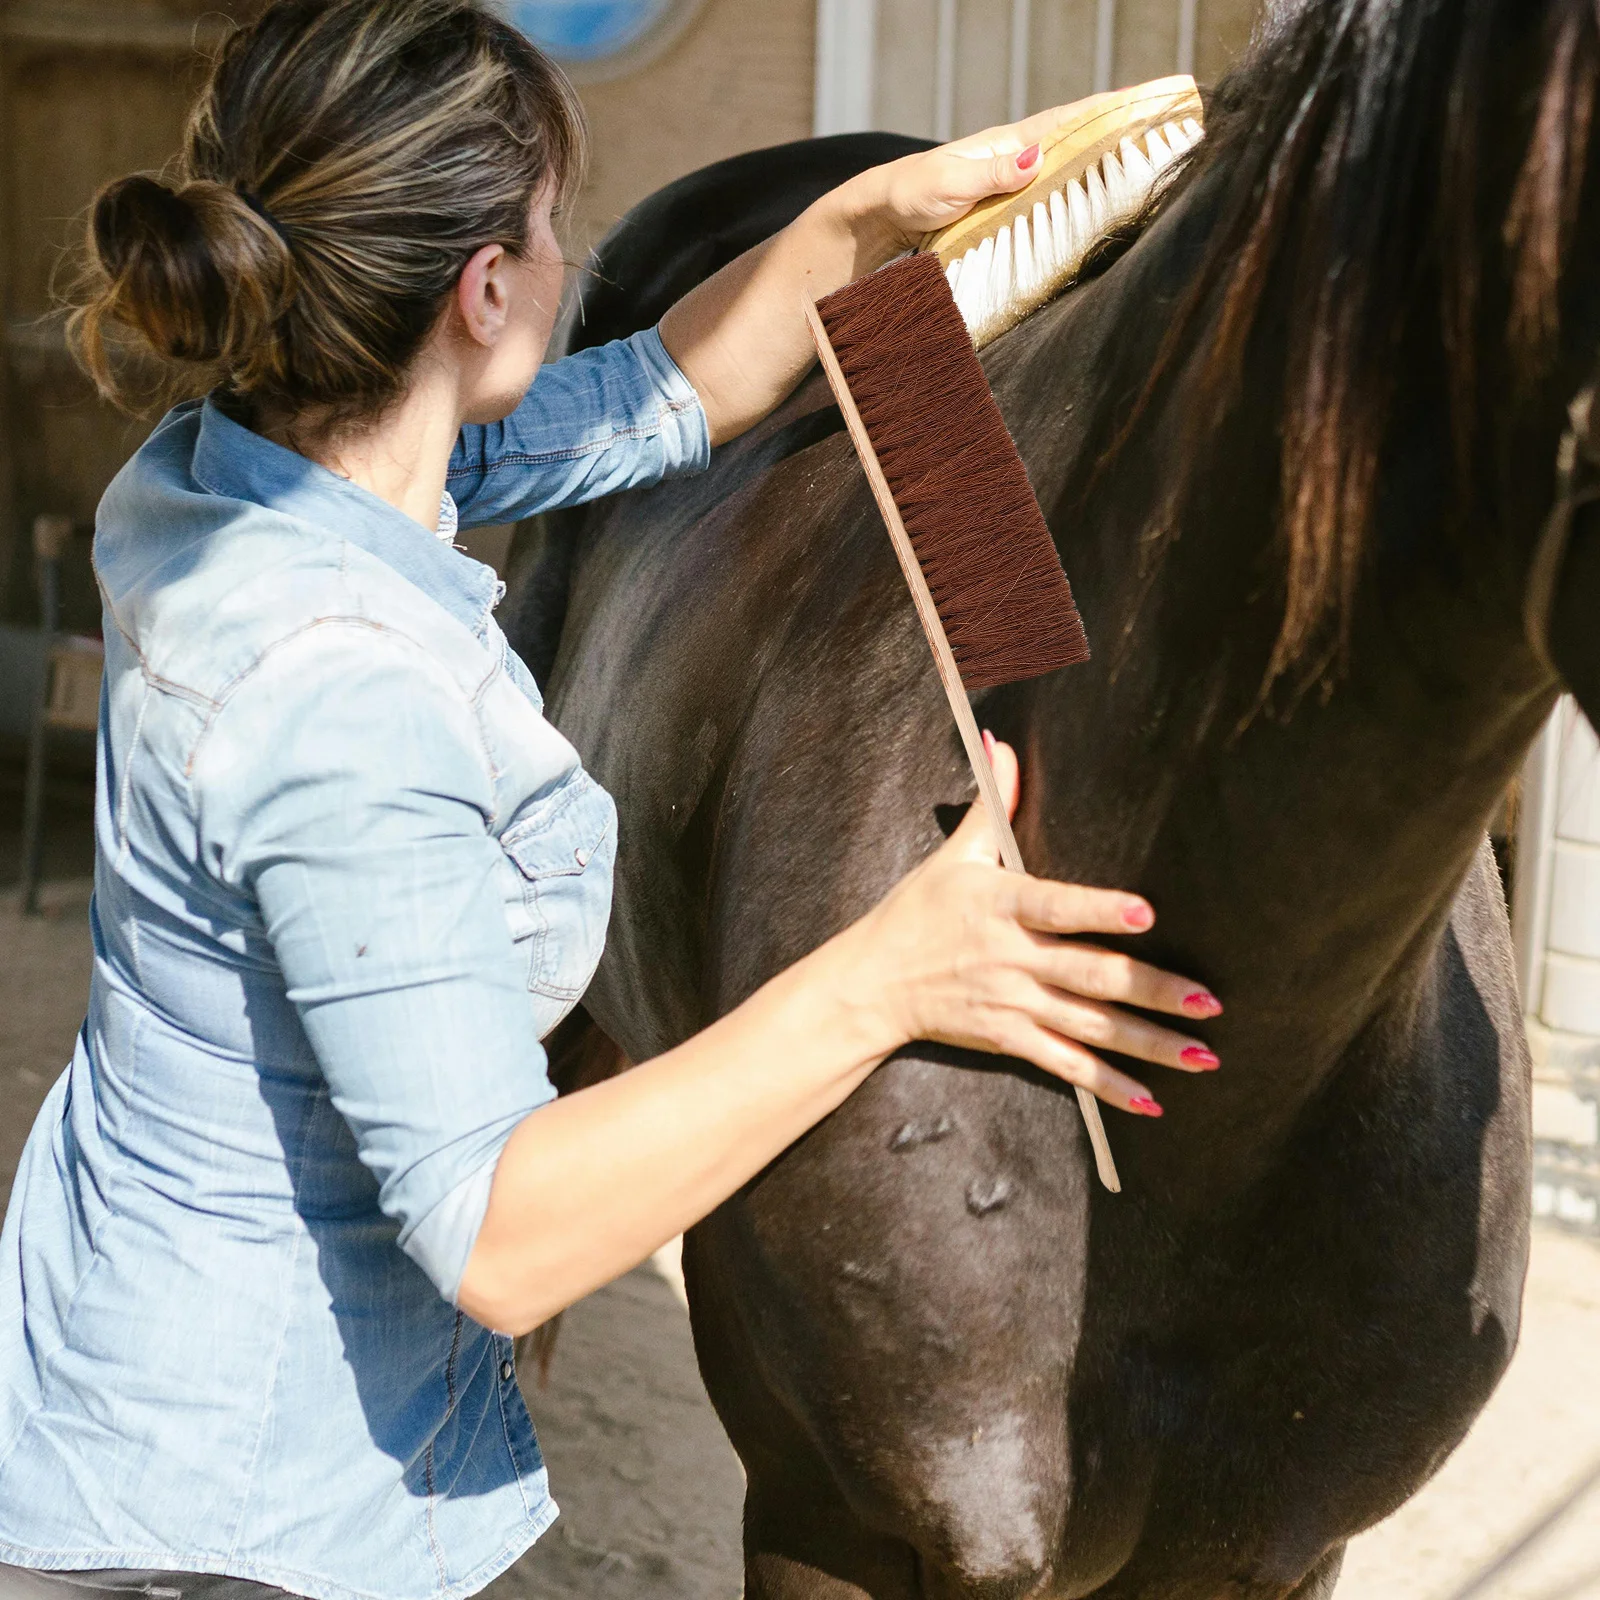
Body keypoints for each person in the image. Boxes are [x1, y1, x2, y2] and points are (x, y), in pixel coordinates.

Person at [0, 3, 1224, 1596]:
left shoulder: (232, 467)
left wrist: (857, 224)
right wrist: (894, 972)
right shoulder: (341, 690)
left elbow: (659, 392)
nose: (574, 258)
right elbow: (503, 1239)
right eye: (557, 226)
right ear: (484, 288)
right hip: (227, 1524)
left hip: (132, 1364)